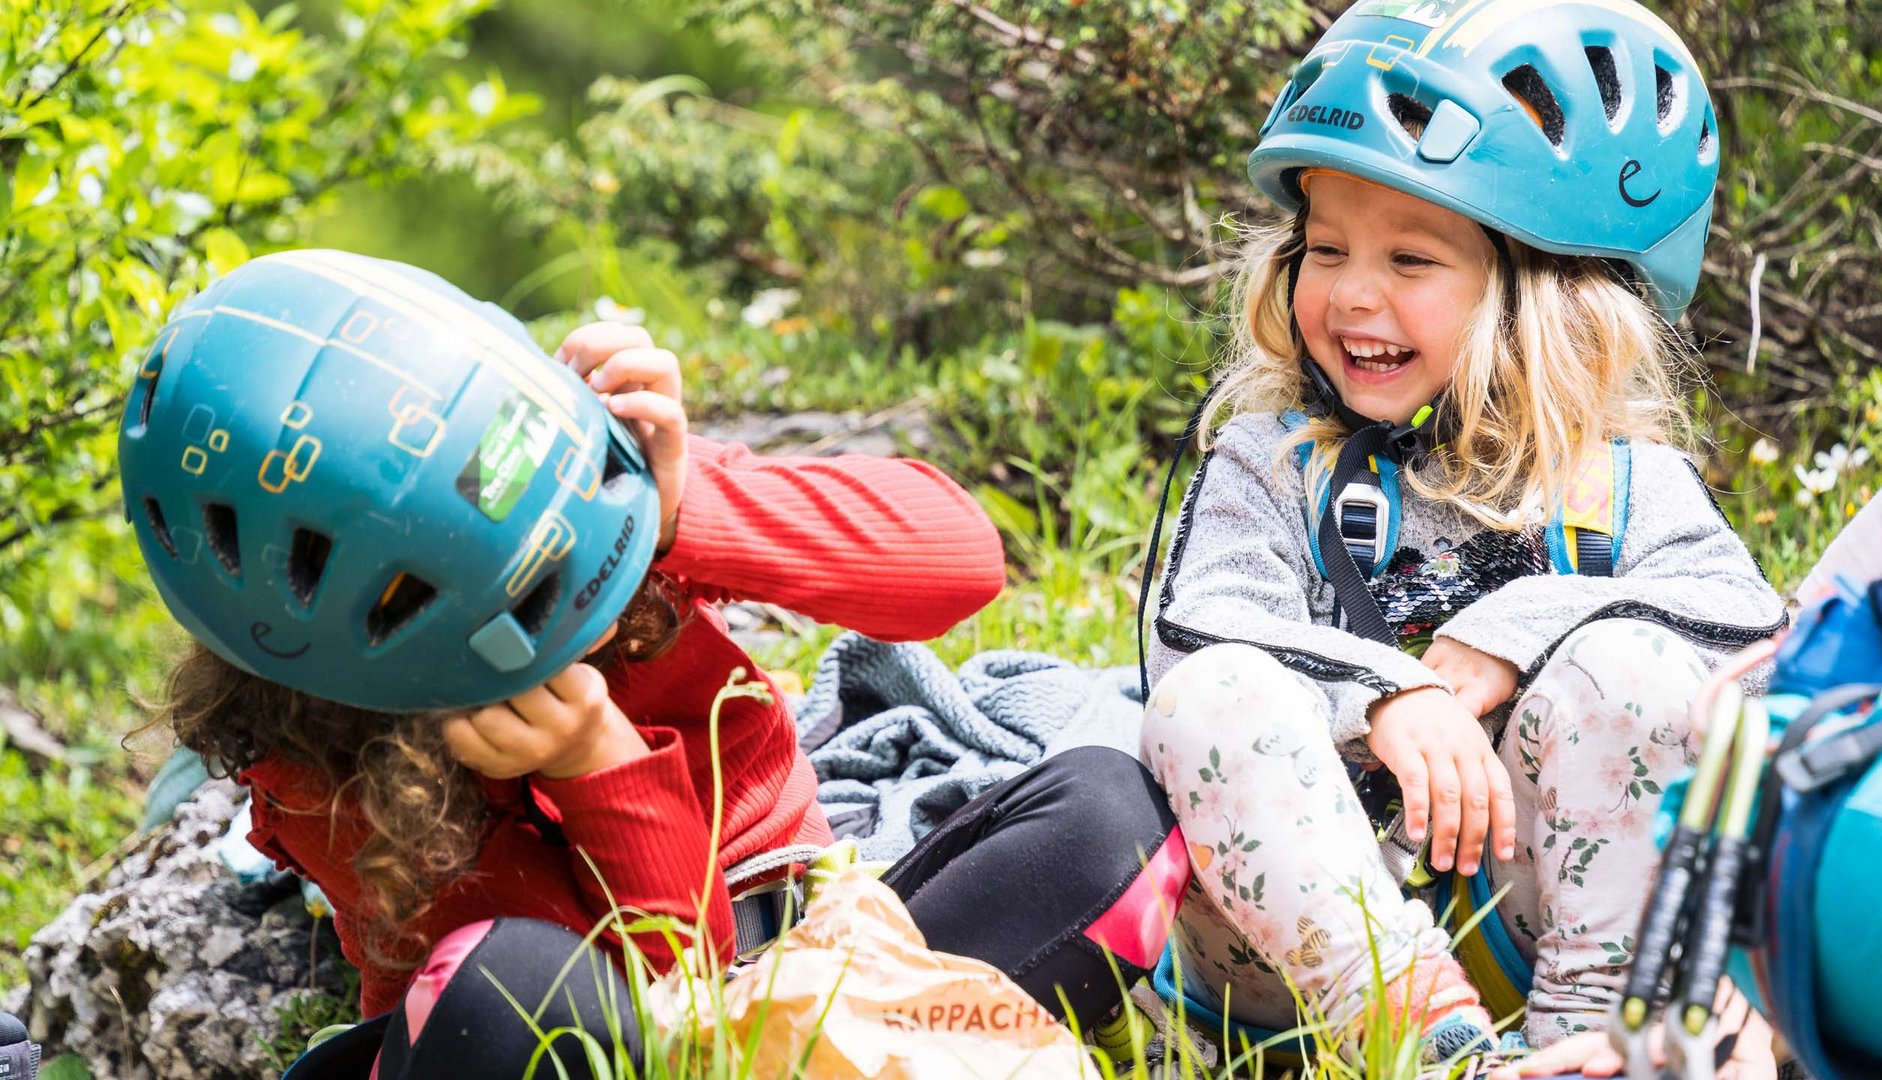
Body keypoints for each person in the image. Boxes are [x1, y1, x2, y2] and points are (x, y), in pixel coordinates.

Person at [123, 250, 1188, 1077]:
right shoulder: (342, 777)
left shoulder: (583, 498)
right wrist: (599, 765)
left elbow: (956, 564)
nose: (566, 593)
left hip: (825, 957)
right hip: (629, 1012)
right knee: (491, 986)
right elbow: (679, 1004)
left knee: (1105, 811)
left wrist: (683, 509)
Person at [1138, 0, 1787, 1073]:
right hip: (1290, 958)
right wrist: (1392, 694)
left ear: (1553, 301)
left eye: (1412, 260)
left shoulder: (1628, 487)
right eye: (1327, 248)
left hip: (1525, 925)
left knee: (1648, 672)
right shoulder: (1268, 463)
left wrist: (1519, 628)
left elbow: (1752, 634)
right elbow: (1198, 624)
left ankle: (1586, 1045)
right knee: (1210, 692)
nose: (1350, 293)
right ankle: (1431, 1044)